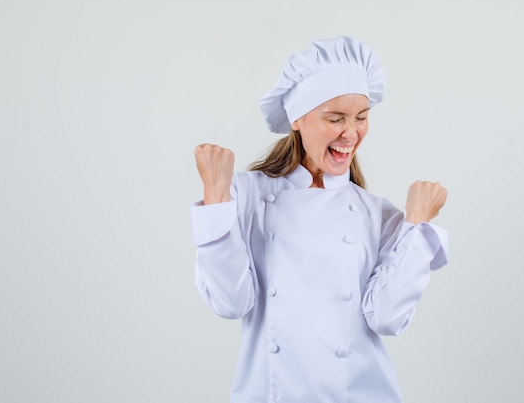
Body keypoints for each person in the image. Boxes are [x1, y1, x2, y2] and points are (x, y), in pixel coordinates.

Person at [190, 36, 449, 403]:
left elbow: (387, 319)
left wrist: (418, 224)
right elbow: (230, 303)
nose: (351, 133)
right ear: (297, 118)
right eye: (336, 118)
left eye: (361, 117)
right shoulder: (245, 195)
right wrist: (215, 194)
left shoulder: (377, 214)